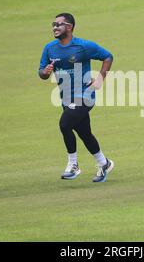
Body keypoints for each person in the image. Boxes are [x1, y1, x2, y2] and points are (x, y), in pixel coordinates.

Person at [39, 13, 114, 182]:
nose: (55, 27)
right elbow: (42, 72)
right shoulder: (49, 48)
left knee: (64, 124)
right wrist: (45, 72)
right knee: (84, 132)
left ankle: (73, 165)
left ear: (70, 27)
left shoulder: (83, 46)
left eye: (60, 24)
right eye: (54, 24)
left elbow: (107, 56)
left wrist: (100, 78)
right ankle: (104, 163)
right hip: (66, 97)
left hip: (85, 95)